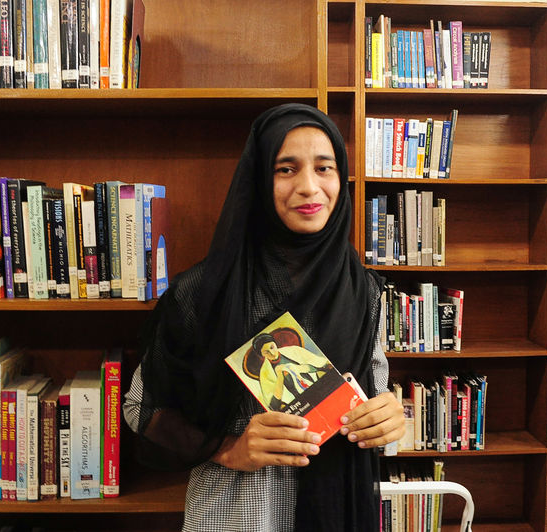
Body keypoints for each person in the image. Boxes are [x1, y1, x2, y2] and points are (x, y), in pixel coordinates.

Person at [123, 103, 405, 531]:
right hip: (237, 513)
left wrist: (387, 418)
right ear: (257, 181)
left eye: (324, 168)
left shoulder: (362, 290)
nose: (310, 187)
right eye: (286, 169)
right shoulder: (203, 291)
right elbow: (138, 407)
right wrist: (229, 447)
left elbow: (371, 397)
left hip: (338, 510)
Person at [244, 330, 331, 411]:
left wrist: (297, 368)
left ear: (275, 343)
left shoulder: (293, 350)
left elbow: (321, 366)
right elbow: (274, 405)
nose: (272, 353)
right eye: (266, 352)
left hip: (317, 387)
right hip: (299, 404)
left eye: (272, 347)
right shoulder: (265, 372)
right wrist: (280, 377)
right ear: (262, 355)